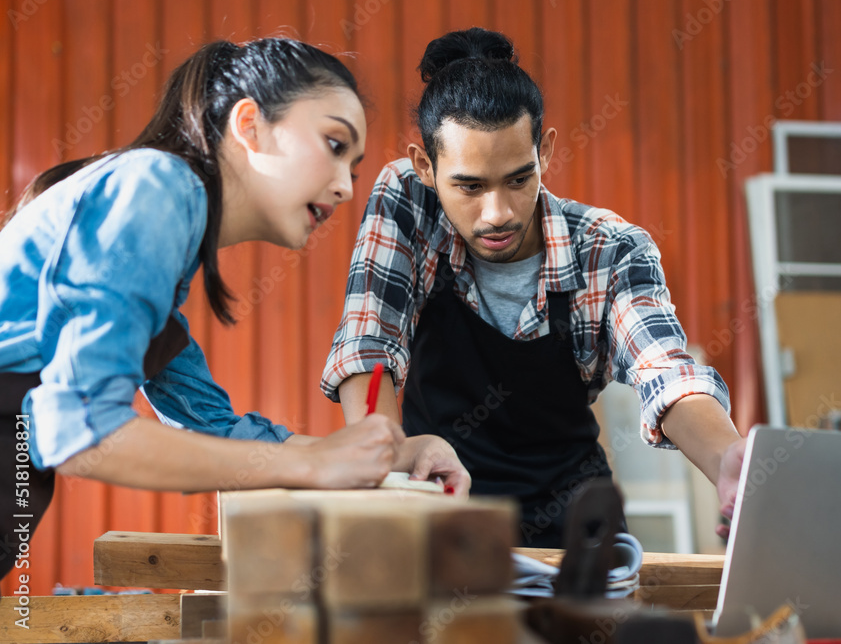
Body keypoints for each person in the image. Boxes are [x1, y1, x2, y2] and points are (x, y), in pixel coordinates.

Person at [0, 38, 468, 580]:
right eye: (334, 144)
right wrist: (312, 464)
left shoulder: (154, 264)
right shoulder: (157, 185)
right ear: (249, 125)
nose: (344, 188)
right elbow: (79, 429)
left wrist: (394, 460)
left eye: (355, 169)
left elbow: (214, 428)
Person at [322, 28, 746, 548]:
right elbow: (370, 343)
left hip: (577, 534)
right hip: (445, 514)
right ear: (426, 168)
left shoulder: (611, 249)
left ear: (544, 152)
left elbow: (665, 372)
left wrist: (727, 457)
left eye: (519, 180)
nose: (497, 213)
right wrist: (387, 458)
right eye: (470, 186)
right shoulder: (408, 202)